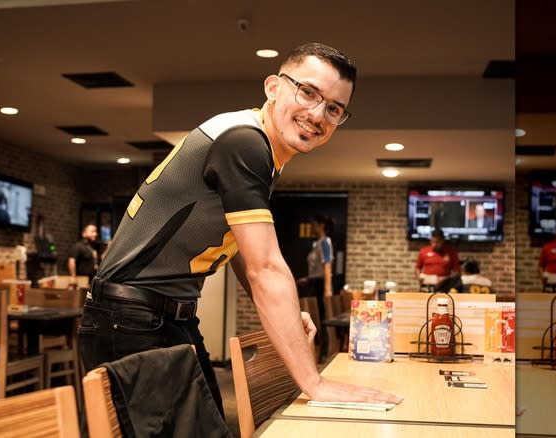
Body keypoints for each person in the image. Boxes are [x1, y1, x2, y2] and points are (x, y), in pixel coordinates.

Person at [78, 42, 402, 424]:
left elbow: (241, 253)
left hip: (163, 316)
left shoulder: (257, 143)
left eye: (333, 108)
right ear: (273, 87)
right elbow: (265, 268)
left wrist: (286, 316)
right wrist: (314, 383)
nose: (318, 114)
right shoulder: (245, 142)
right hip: (131, 318)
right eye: (309, 92)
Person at [296, 213, 335, 361]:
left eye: (314, 225)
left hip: (320, 286)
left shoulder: (325, 242)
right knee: (314, 318)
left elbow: (327, 266)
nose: (312, 228)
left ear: (321, 226)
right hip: (313, 284)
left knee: (319, 319)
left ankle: (321, 354)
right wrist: (307, 279)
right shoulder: (317, 243)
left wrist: (327, 290)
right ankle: (314, 353)